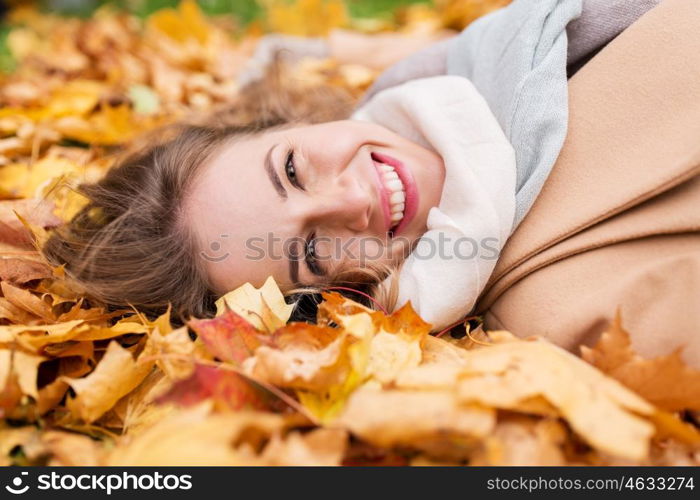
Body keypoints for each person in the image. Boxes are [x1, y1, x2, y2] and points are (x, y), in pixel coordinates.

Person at [46, 0, 696, 361]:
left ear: (290, 121)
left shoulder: (490, 54)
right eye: (312, 252)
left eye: (293, 169)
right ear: (339, 307)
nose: (353, 199)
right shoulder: (571, 313)